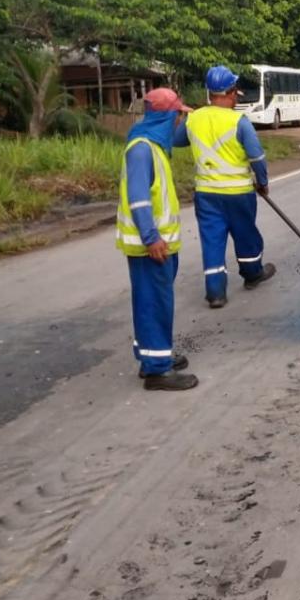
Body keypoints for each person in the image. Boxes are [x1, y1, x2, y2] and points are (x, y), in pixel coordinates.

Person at [117, 88, 198, 391]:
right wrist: (151, 238)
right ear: (167, 116)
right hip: (149, 246)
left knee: (152, 302)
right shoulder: (141, 150)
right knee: (154, 304)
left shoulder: (153, 144)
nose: (180, 121)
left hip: (158, 244)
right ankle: (157, 371)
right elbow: (138, 200)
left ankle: (153, 355)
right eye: (178, 115)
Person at [177, 65, 276, 309]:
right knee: (245, 235)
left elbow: (176, 140)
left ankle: (215, 293)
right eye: (235, 93)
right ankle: (253, 273)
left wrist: (185, 116)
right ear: (231, 92)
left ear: (209, 93)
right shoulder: (239, 121)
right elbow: (257, 158)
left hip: (207, 194)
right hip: (238, 194)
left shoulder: (194, 119)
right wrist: (262, 183)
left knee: (212, 240)